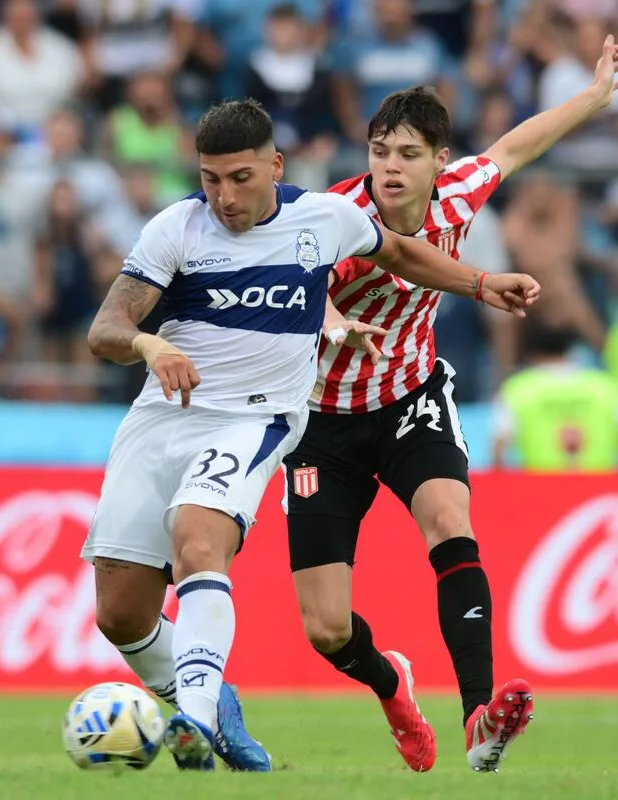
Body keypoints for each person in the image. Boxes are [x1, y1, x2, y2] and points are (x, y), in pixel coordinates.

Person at [82, 98, 540, 772]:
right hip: (178, 416)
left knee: (201, 539)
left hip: (263, 416)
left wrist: (480, 283)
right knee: (123, 615)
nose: (223, 196)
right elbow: (105, 330)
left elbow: (403, 256)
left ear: (275, 166)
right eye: (210, 179)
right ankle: (221, 701)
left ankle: (197, 720)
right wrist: (150, 346)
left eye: (239, 178)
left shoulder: (322, 219)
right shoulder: (175, 230)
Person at [281, 34, 618, 773]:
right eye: (380, 151)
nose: (389, 167)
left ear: (440, 162)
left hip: (410, 398)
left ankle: (479, 718)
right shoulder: (332, 215)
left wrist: (594, 97)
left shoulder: (462, 191)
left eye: (408, 154)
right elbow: (299, 294)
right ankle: (391, 685)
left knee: (449, 520)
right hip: (320, 422)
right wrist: (336, 324)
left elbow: (516, 146)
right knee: (325, 627)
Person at [492, 324, 618, 472]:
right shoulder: (605, 386)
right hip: (600, 488)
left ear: (532, 352)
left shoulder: (518, 389)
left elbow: (500, 445)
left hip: (539, 488)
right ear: (569, 350)